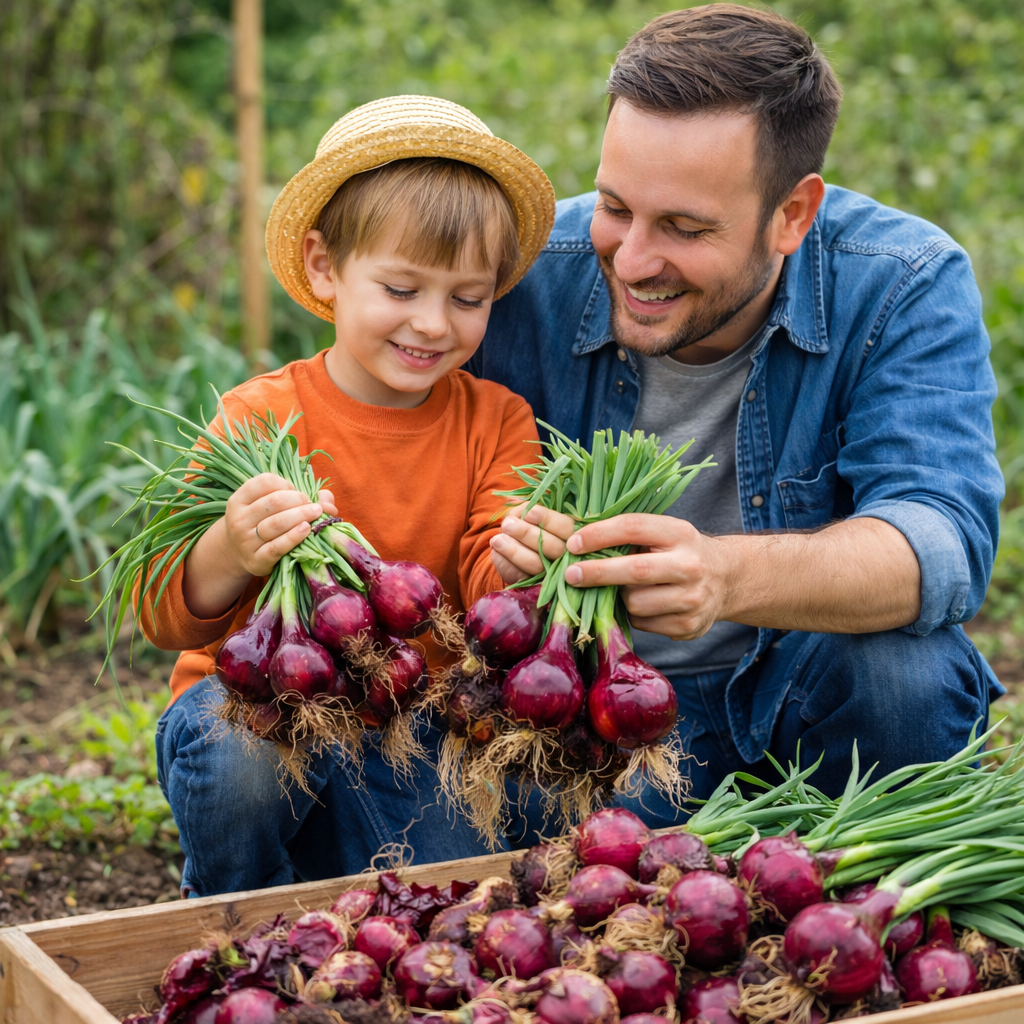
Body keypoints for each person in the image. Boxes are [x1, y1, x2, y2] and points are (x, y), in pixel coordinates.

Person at [473, 4, 1005, 818]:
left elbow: (941, 541)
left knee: (903, 676)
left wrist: (725, 577)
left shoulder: (901, 280)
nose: (635, 258)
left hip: (795, 701)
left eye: (684, 227)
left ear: (792, 214)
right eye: (616, 206)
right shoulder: (525, 272)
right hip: (589, 726)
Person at [146, 96, 555, 895]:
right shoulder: (258, 416)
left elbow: (488, 579)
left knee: (439, 890)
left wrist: (530, 560)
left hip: (412, 724)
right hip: (258, 707)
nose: (433, 323)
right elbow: (162, 610)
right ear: (326, 267)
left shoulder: (496, 420)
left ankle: (325, 878)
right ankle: (225, 909)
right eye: (401, 288)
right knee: (240, 764)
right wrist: (230, 548)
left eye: (467, 298)